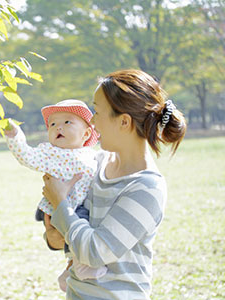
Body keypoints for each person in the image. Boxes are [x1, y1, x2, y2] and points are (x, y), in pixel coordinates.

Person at [42, 69, 187, 299]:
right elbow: (65, 233)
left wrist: (60, 203)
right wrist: (53, 235)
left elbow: (95, 252)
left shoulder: (147, 188)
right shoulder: (95, 164)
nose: (91, 120)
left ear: (123, 121)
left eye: (97, 112)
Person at [4, 99, 107, 291]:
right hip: (61, 207)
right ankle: (79, 265)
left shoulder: (93, 155)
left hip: (82, 205)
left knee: (86, 224)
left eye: (67, 122)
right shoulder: (50, 153)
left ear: (86, 133)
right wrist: (15, 136)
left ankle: (72, 267)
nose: (58, 127)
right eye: (53, 124)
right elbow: (27, 156)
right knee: (79, 226)